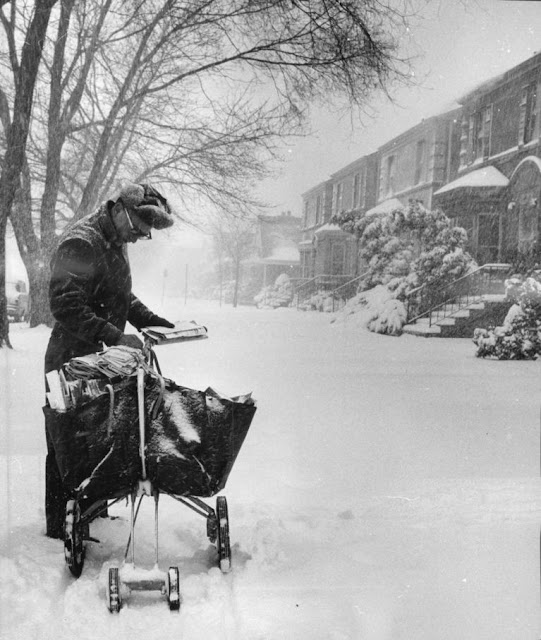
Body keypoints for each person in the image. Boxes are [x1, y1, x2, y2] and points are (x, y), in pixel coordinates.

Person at [44, 182, 176, 538]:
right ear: (119, 209)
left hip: (99, 358)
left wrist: (148, 319)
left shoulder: (114, 241)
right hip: (71, 361)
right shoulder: (81, 243)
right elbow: (65, 305)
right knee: (68, 444)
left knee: (99, 438)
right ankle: (63, 527)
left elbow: (118, 292)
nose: (136, 238)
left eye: (143, 236)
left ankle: (90, 513)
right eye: (136, 229)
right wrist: (116, 336)